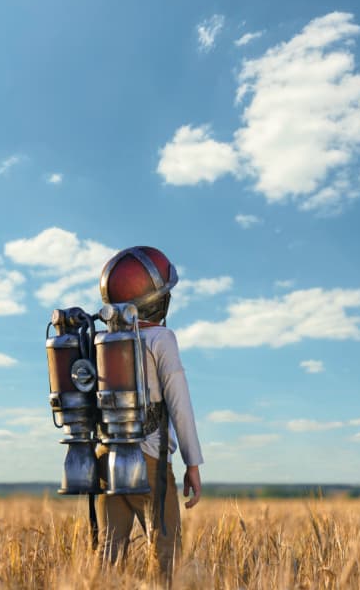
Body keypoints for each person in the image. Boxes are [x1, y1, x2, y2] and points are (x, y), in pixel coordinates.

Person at [94, 246, 203, 578]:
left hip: (106, 458)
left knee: (107, 561)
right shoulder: (162, 339)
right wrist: (193, 464)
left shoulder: (101, 339)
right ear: (157, 300)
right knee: (166, 557)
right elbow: (180, 404)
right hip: (149, 462)